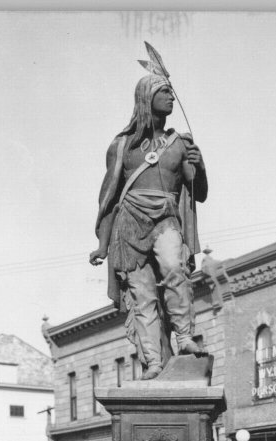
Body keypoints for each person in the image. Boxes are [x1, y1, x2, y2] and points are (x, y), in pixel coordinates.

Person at [89, 72, 208, 380]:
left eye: (170, 92)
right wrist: (102, 246)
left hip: (166, 217)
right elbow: (109, 198)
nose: (171, 97)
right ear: (146, 98)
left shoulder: (180, 143)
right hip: (129, 224)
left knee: (173, 267)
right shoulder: (122, 146)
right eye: (164, 91)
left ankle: (184, 337)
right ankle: (152, 360)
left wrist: (200, 165)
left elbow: (199, 192)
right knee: (142, 295)